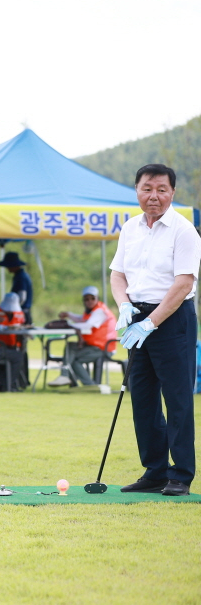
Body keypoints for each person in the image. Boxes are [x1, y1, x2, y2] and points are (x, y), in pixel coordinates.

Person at [109, 164, 200, 496]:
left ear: (172, 193)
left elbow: (184, 283)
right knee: (142, 398)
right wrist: (123, 305)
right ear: (136, 190)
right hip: (137, 316)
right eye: (148, 189)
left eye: (162, 190)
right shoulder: (130, 228)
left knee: (176, 398)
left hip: (172, 319)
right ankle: (155, 471)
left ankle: (181, 475)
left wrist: (152, 322)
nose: (154, 196)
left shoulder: (184, 230)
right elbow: (118, 274)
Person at [47, 286, 117, 388]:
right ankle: (83, 384)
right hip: (94, 346)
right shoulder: (91, 311)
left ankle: (72, 379)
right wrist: (69, 315)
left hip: (103, 348)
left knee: (72, 355)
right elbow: (81, 319)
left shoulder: (100, 311)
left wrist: (68, 325)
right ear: (83, 301)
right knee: (71, 350)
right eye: (86, 299)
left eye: (92, 298)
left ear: (97, 298)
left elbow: (87, 325)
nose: (89, 301)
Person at [0, 252, 33, 324]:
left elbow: (22, 296)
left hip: (21, 312)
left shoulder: (21, 277)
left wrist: (14, 310)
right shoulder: (21, 275)